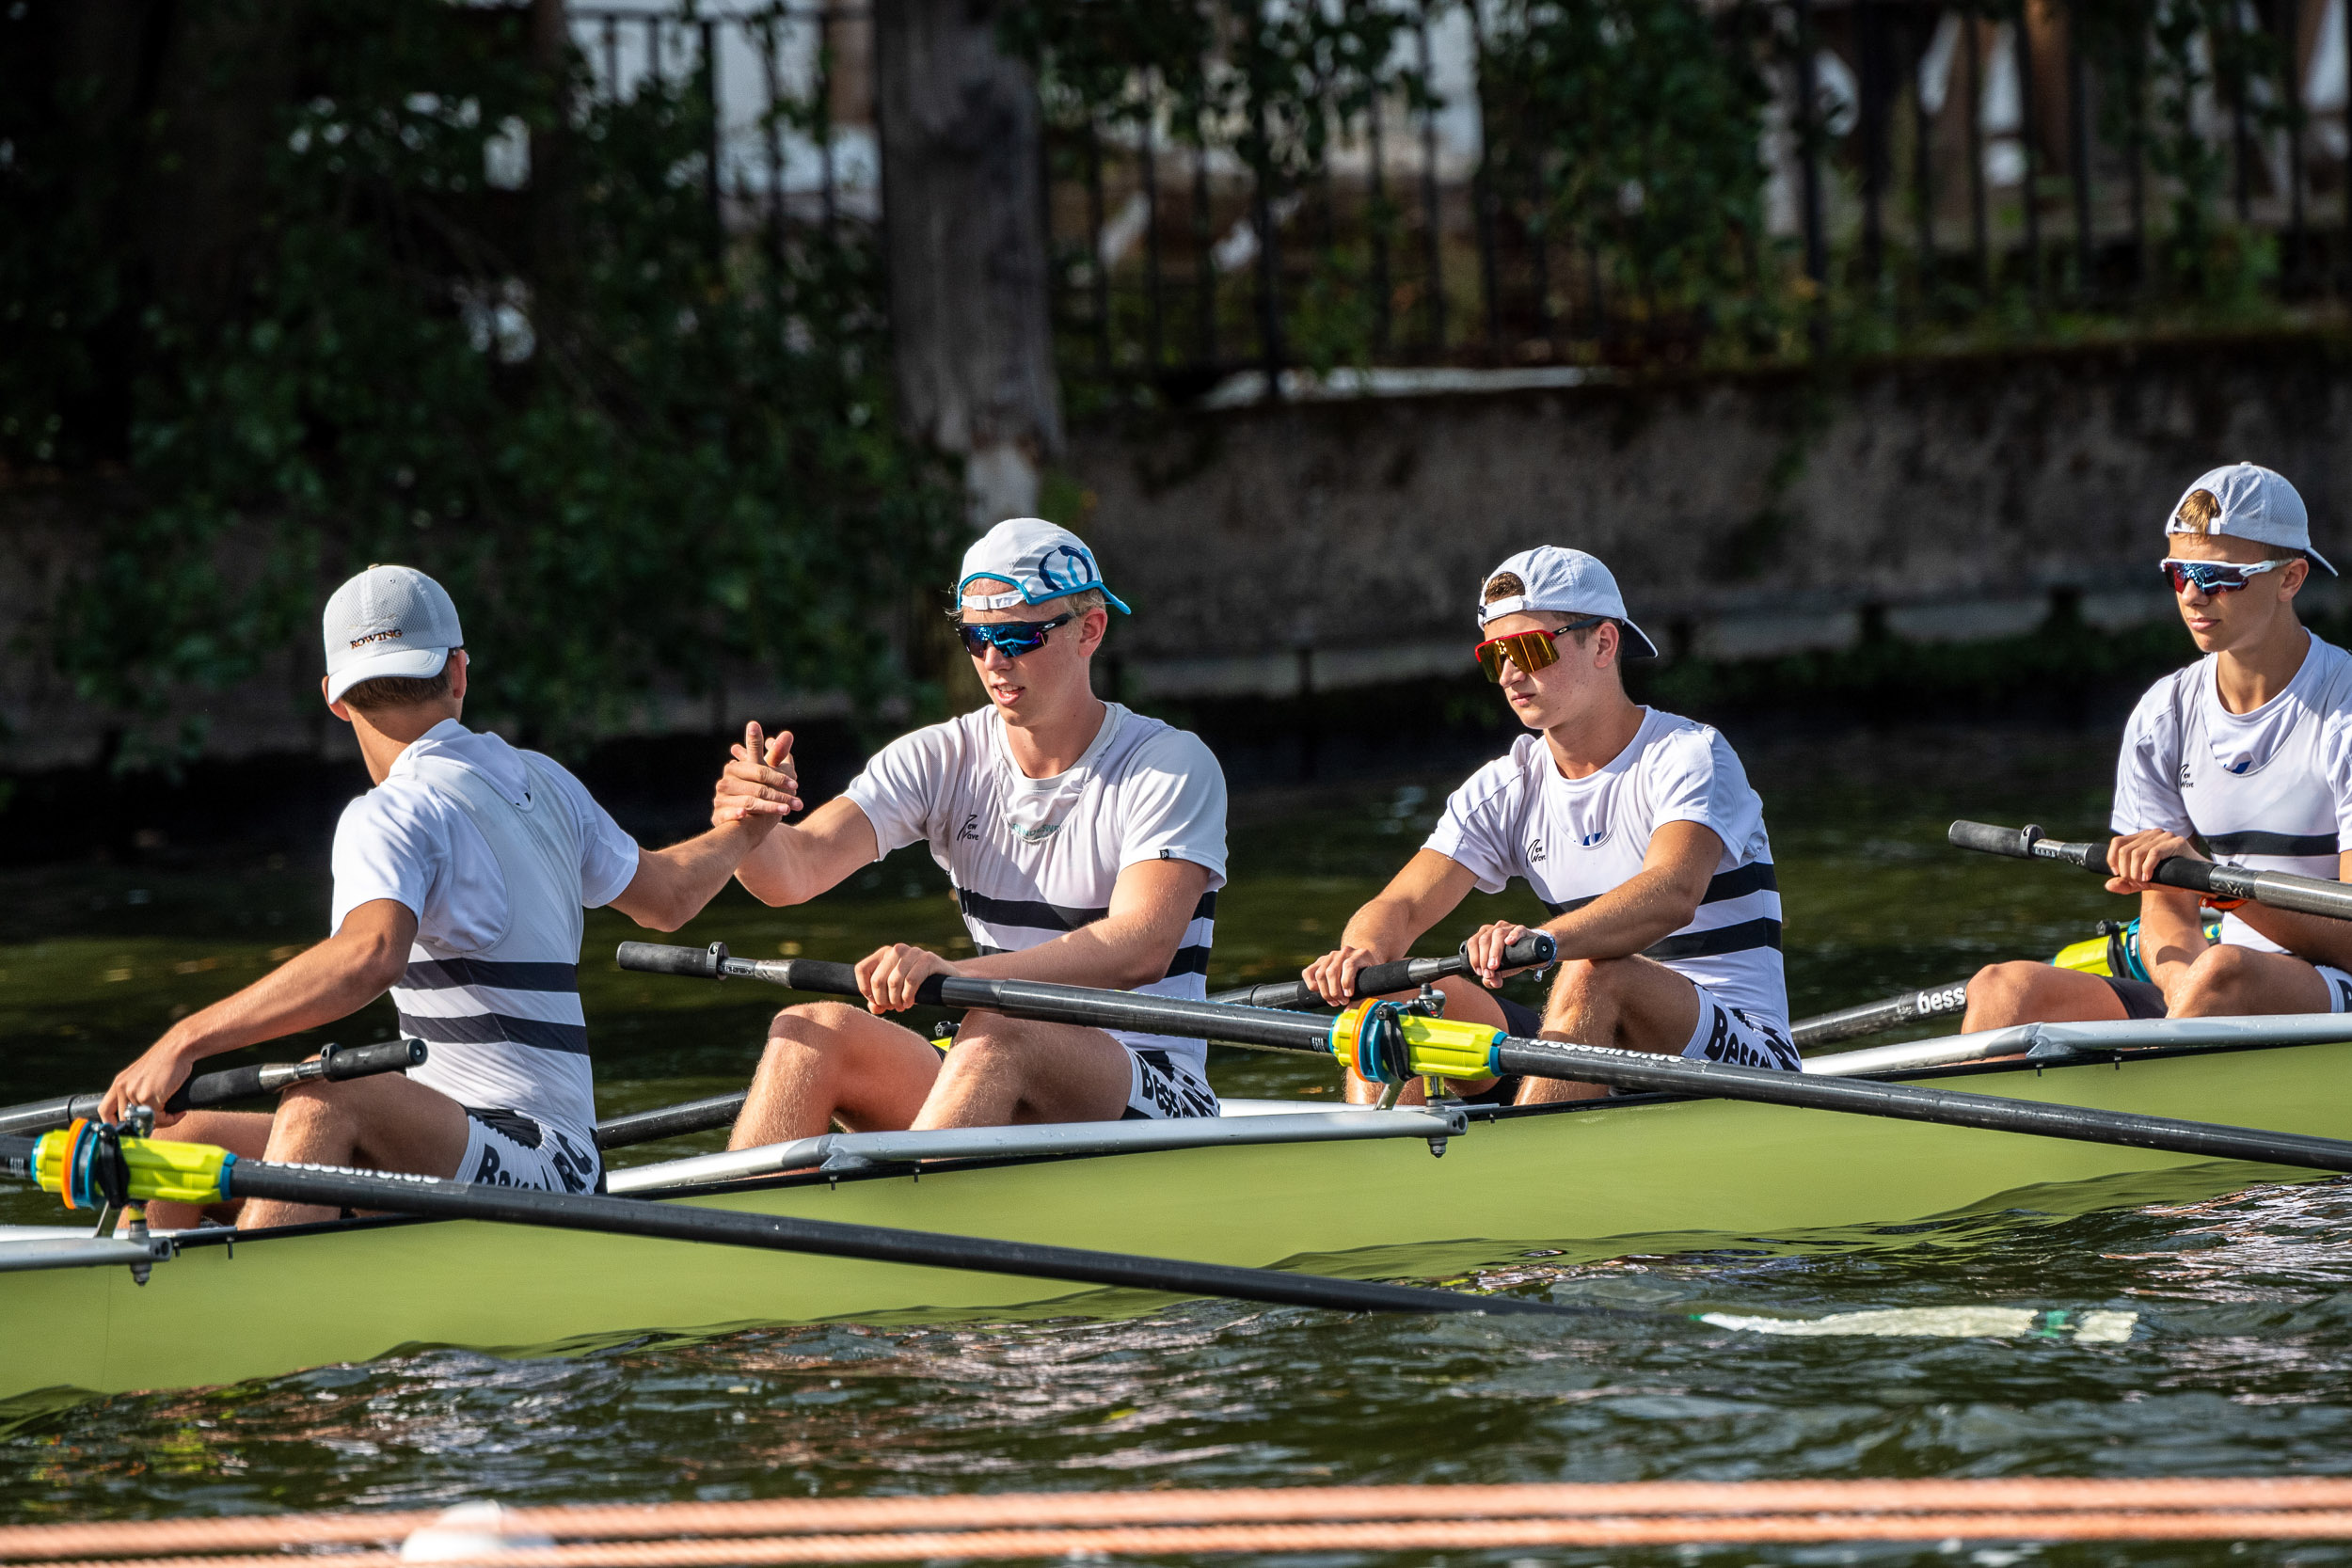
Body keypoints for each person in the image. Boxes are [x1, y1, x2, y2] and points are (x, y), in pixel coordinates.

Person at [101, 565, 786, 1229]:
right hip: (501, 1154)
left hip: (542, 1168)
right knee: (171, 1144)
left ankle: (255, 1314)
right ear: (458, 671)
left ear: (335, 699)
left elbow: (368, 956)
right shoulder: (545, 782)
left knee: (323, 1097)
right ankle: (163, 1291)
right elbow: (669, 895)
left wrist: (183, 1040)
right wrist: (745, 830)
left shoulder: (391, 813)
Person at [712, 517, 1227, 1145]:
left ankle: (916, 1219)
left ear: (1089, 630)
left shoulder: (1170, 763)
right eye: (975, 636)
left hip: (1152, 1084)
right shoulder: (942, 758)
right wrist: (750, 829)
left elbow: (1139, 946)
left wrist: (958, 973)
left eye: (1017, 637)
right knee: (809, 1029)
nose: (992, 660)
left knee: (997, 1025)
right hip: (993, 1055)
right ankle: (725, 1237)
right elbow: (792, 873)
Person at [1300, 546, 1794, 1104]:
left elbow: (1672, 894)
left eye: (1530, 649)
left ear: (1604, 643)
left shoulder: (1690, 755)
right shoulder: (1508, 786)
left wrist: (1539, 941)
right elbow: (1402, 906)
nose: (1511, 674)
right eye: (1494, 657)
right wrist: (1363, 954)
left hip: (1741, 1054)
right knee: (1396, 1003)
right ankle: (1378, 1175)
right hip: (1589, 1034)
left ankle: (1525, 1175)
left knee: (1592, 972)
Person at [1964, 463, 2352, 1029]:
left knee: (2225, 974)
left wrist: (2223, 893)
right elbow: (2165, 912)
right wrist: (2183, 986)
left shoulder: (2343, 710)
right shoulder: (2163, 716)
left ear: (2291, 579)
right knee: (2002, 990)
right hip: (2218, 983)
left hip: (2333, 981)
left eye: (2220, 576)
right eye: (2179, 573)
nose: (2194, 594)